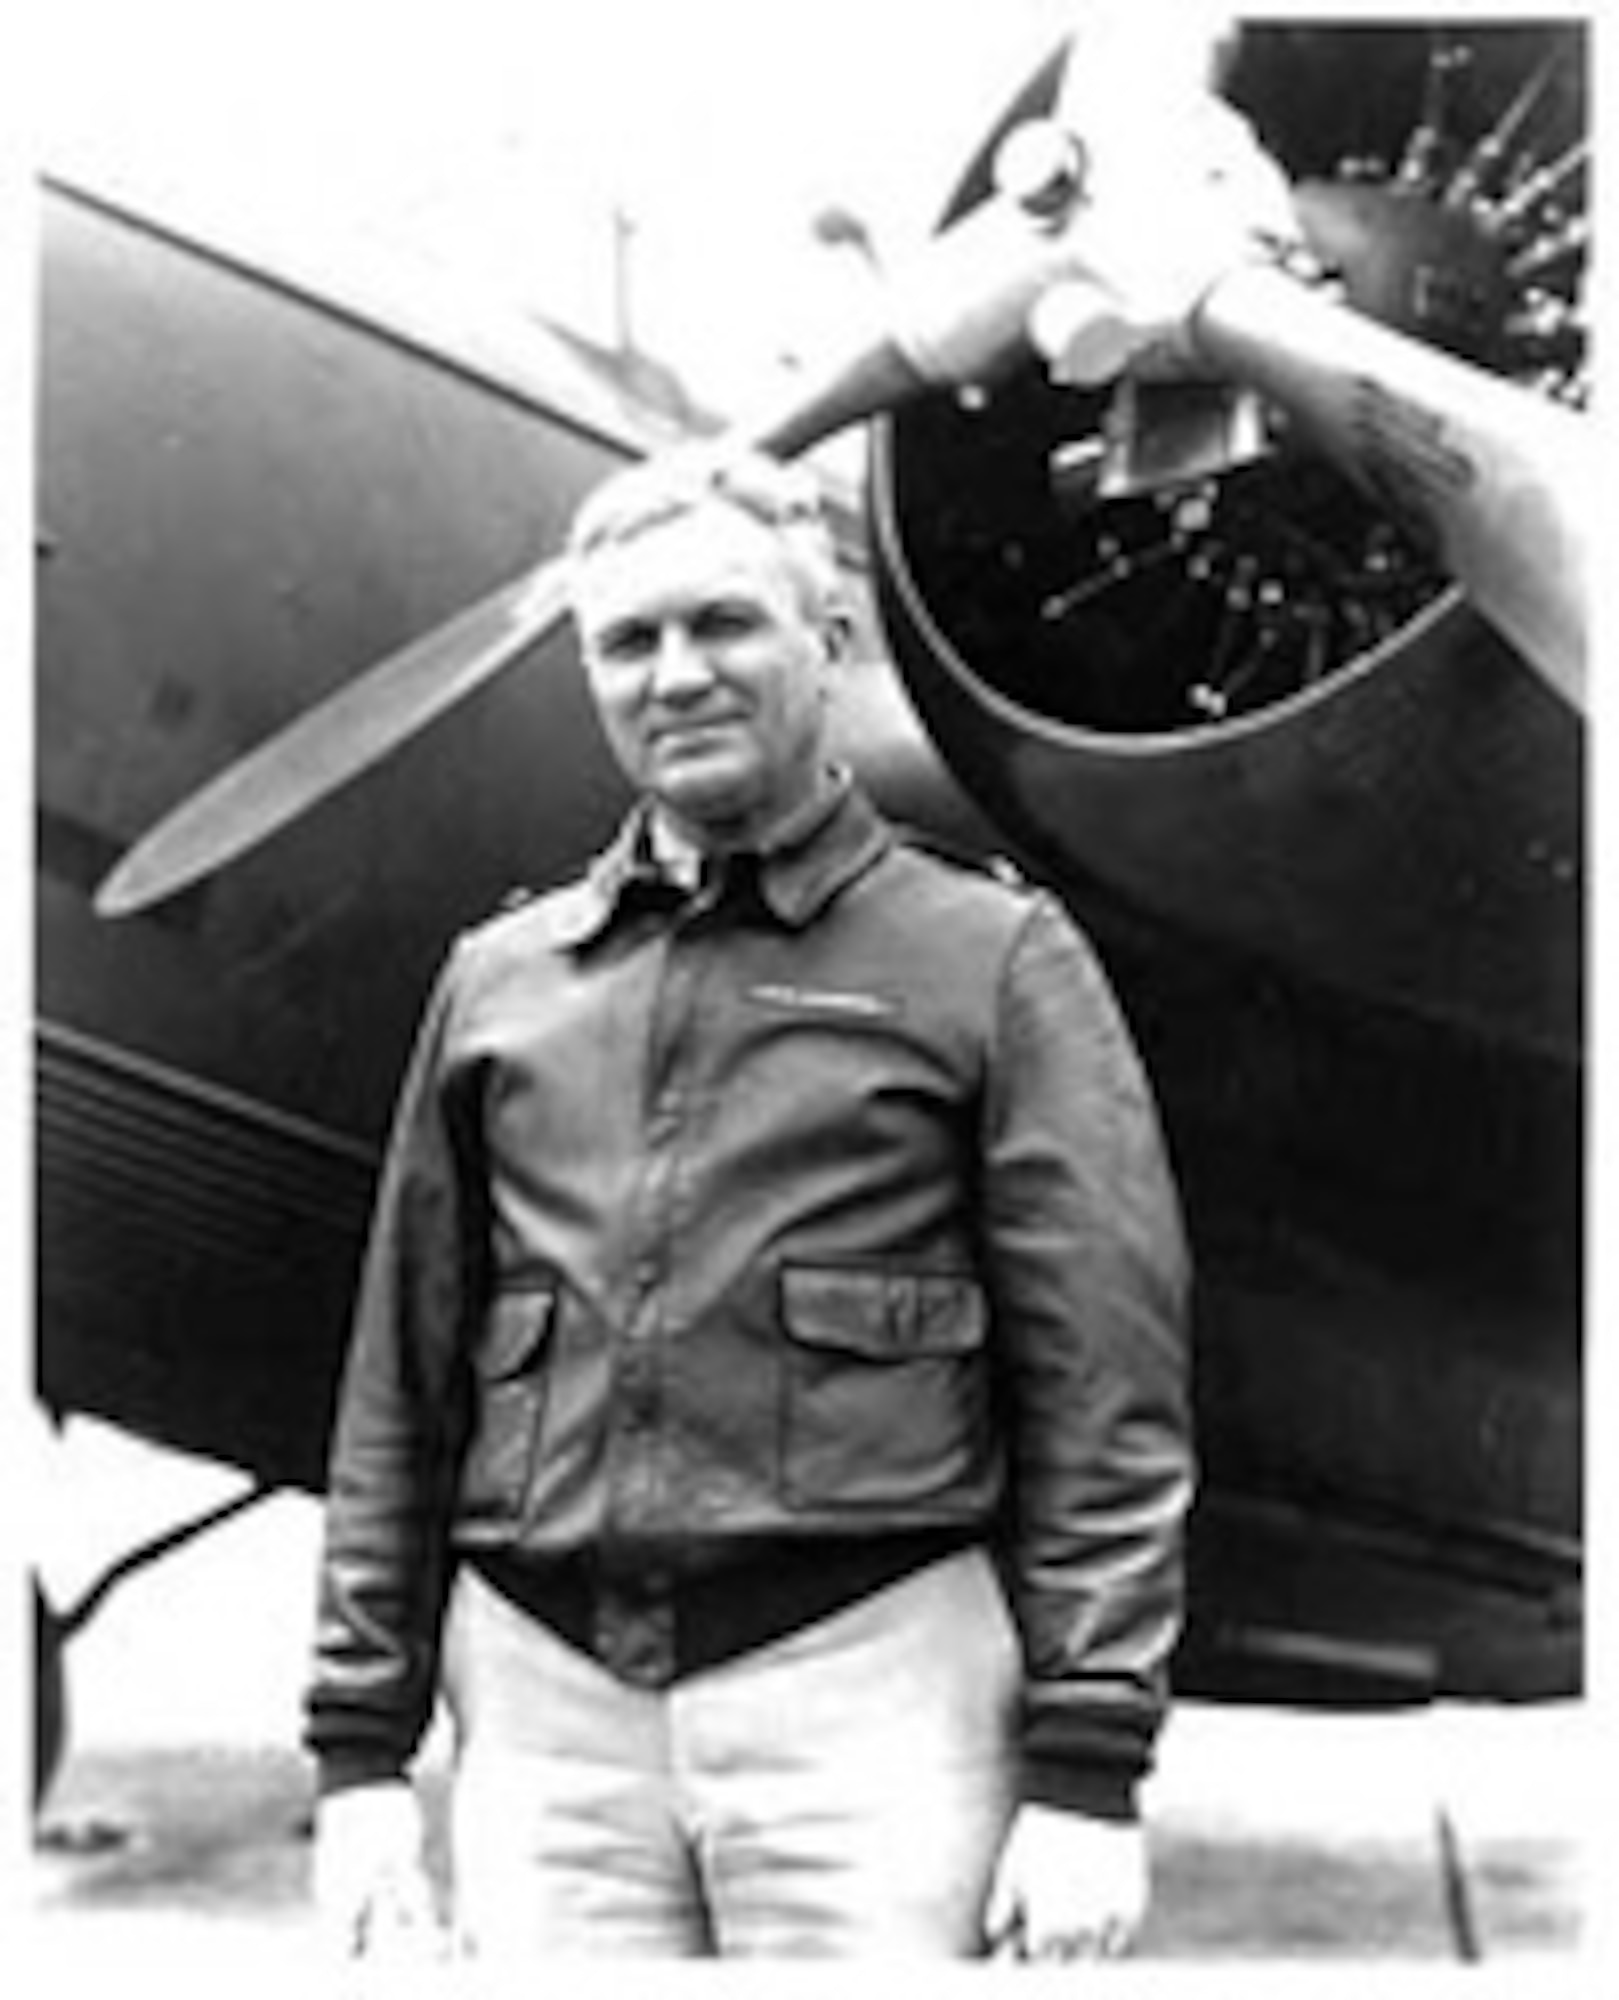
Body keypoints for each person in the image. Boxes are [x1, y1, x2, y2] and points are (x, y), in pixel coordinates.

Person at [304, 442, 1193, 1962]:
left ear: (826, 636)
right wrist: (361, 1759)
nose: (677, 674)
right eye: (629, 641)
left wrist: (1088, 1773)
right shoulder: (502, 985)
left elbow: (1107, 1391)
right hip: (545, 1708)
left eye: (724, 624)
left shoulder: (992, 958)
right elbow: (402, 1385)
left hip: (873, 1682)